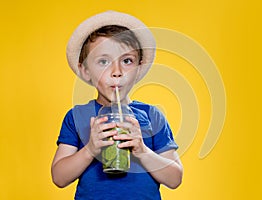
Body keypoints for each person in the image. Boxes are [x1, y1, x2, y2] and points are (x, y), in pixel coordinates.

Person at [51, 10, 183, 200]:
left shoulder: (151, 115)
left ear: (139, 68)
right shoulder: (77, 116)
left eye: (127, 61)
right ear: (85, 70)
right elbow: (59, 177)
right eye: (104, 61)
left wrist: (142, 150)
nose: (117, 72)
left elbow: (174, 179)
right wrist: (90, 149)